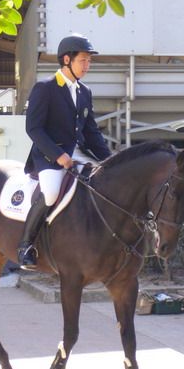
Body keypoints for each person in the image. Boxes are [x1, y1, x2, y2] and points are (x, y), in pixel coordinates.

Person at [17, 34, 111, 269]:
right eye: (83, 61)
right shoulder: (45, 87)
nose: (87, 66)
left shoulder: (84, 92)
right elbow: (34, 128)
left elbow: (91, 133)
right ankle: (26, 246)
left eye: (89, 61)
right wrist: (58, 156)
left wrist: (110, 160)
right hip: (50, 155)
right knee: (50, 193)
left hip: (78, 152)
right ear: (67, 59)